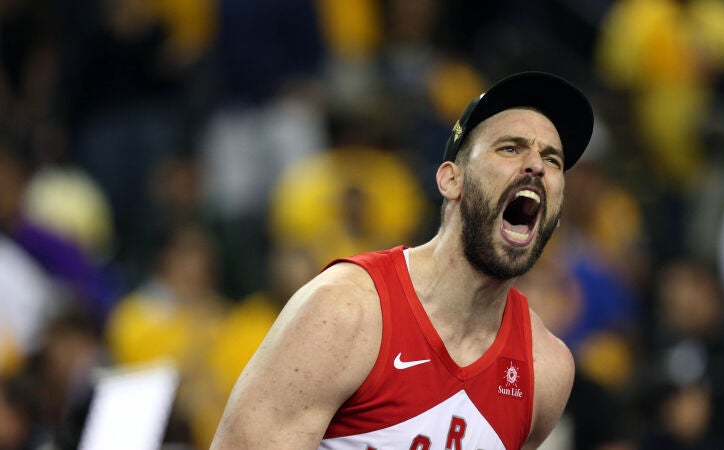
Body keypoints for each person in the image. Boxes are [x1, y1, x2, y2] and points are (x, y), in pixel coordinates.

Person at [211, 71, 594, 449]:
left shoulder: (545, 369)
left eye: (552, 159)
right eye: (510, 148)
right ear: (451, 180)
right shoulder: (345, 311)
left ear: (557, 212)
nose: (536, 165)